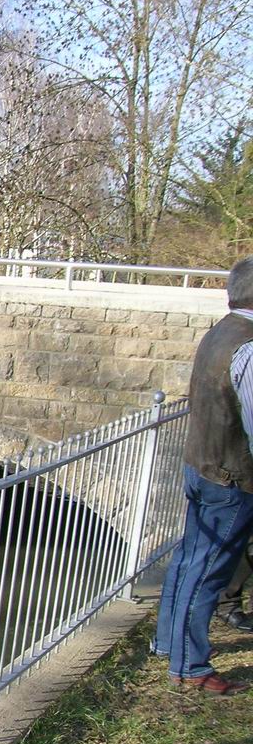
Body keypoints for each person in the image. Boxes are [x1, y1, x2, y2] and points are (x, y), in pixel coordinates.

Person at [154, 256, 253, 695]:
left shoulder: (221, 331)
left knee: (189, 562)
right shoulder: (248, 344)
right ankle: (190, 666)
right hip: (231, 476)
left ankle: (168, 644)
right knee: (207, 571)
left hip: (203, 465)